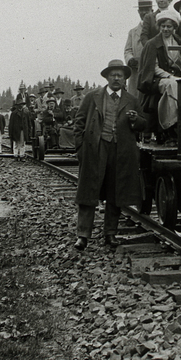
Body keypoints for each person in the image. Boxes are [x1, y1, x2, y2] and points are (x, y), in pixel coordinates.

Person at [72, 60, 147, 249]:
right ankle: (83, 235)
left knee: (115, 191)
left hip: (120, 151)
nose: (116, 78)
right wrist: (81, 148)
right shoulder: (93, 97)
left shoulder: (132, 100)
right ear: (106, 77)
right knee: (89, 191)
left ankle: (110, 233)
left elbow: (143, 124)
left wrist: (135, 120)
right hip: (96, 149)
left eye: (120, 75)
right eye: (113, 75)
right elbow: (79, 122)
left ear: (125, 79)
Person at [139, 10, 181, 136]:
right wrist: (170, 76)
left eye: (169, 26)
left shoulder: (178, 41)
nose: (165, 29)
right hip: (155, 79)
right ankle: (171, 124)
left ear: (174, 27)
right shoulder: (152, 44)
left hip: (176, 76)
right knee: (171, 85)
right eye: (163, 26)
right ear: (159, 27)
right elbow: (153, 68)